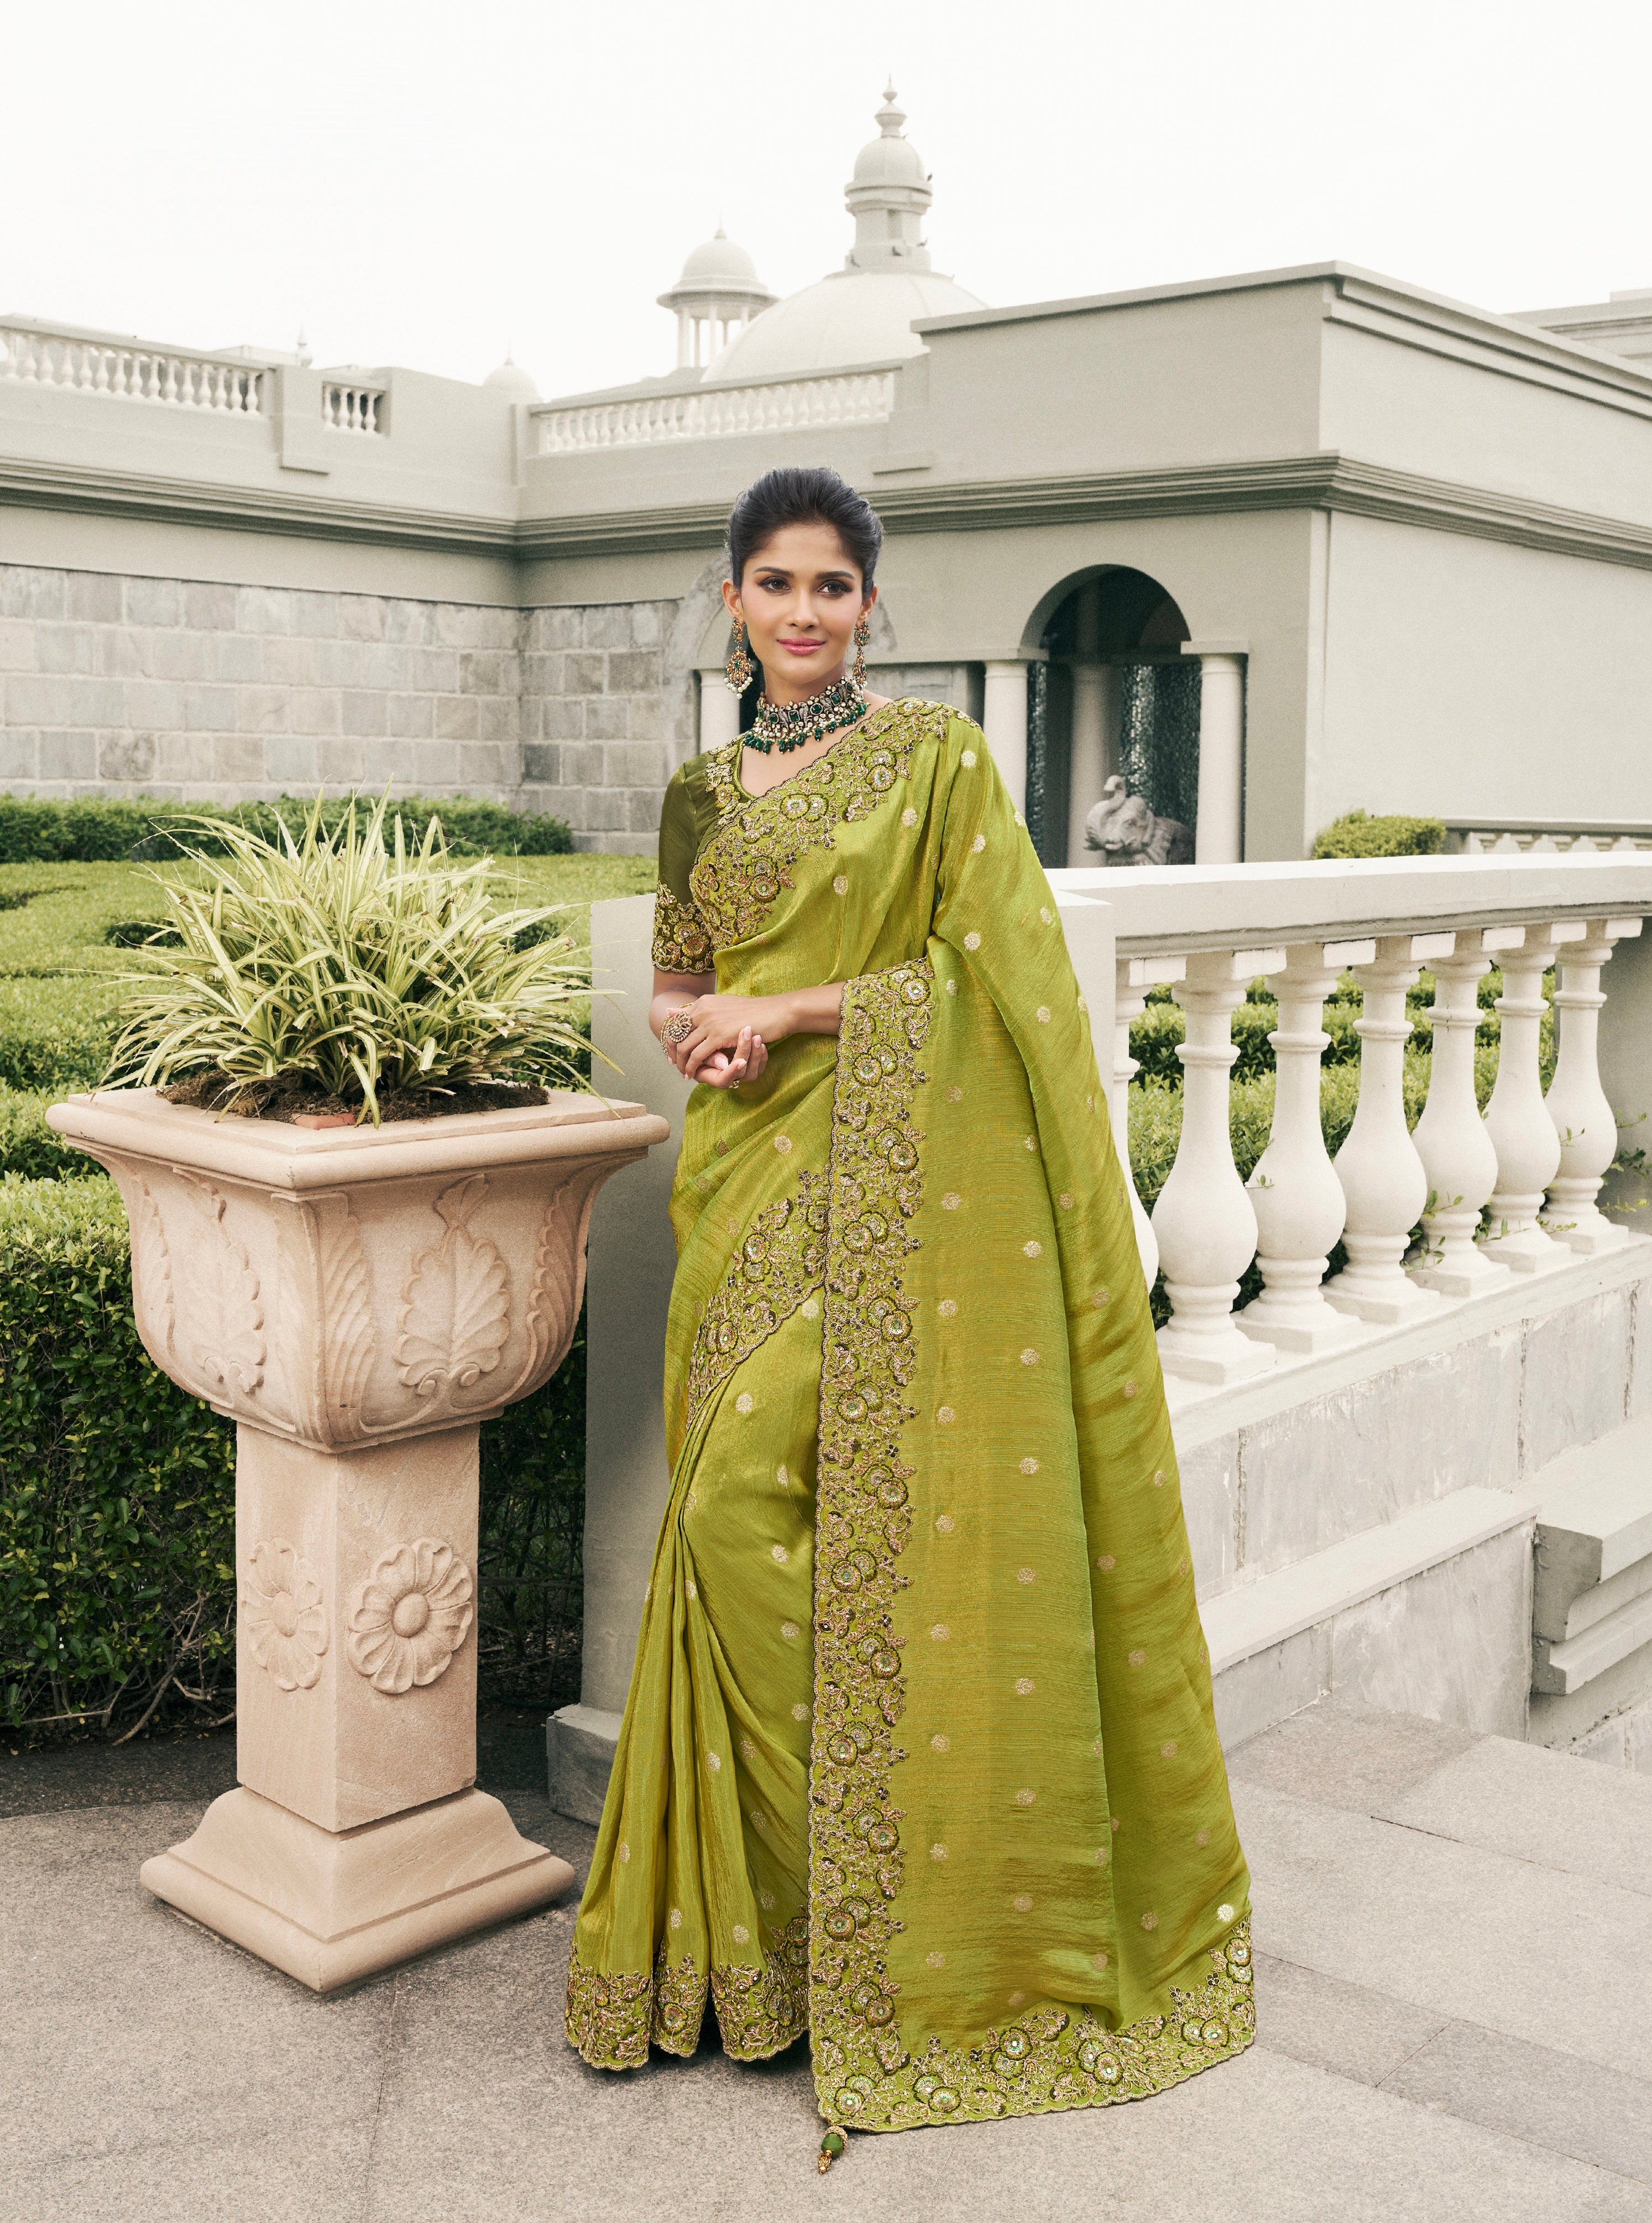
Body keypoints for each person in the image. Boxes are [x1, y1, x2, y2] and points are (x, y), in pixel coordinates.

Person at [564, 466, 1254, 2163]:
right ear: (730, 599)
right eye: (774, 583)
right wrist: (699, 1027)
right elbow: (676, 977)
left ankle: (907, 1902)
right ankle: (808, 1927)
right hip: (744, 1177)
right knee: (730, 1519)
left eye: (832, 586)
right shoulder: (695, 794)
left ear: (869, 605)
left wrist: (791, 1009)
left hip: (889, 1175)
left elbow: (991, 978)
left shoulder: (936, 763)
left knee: (786, 1498)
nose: (803, 612)